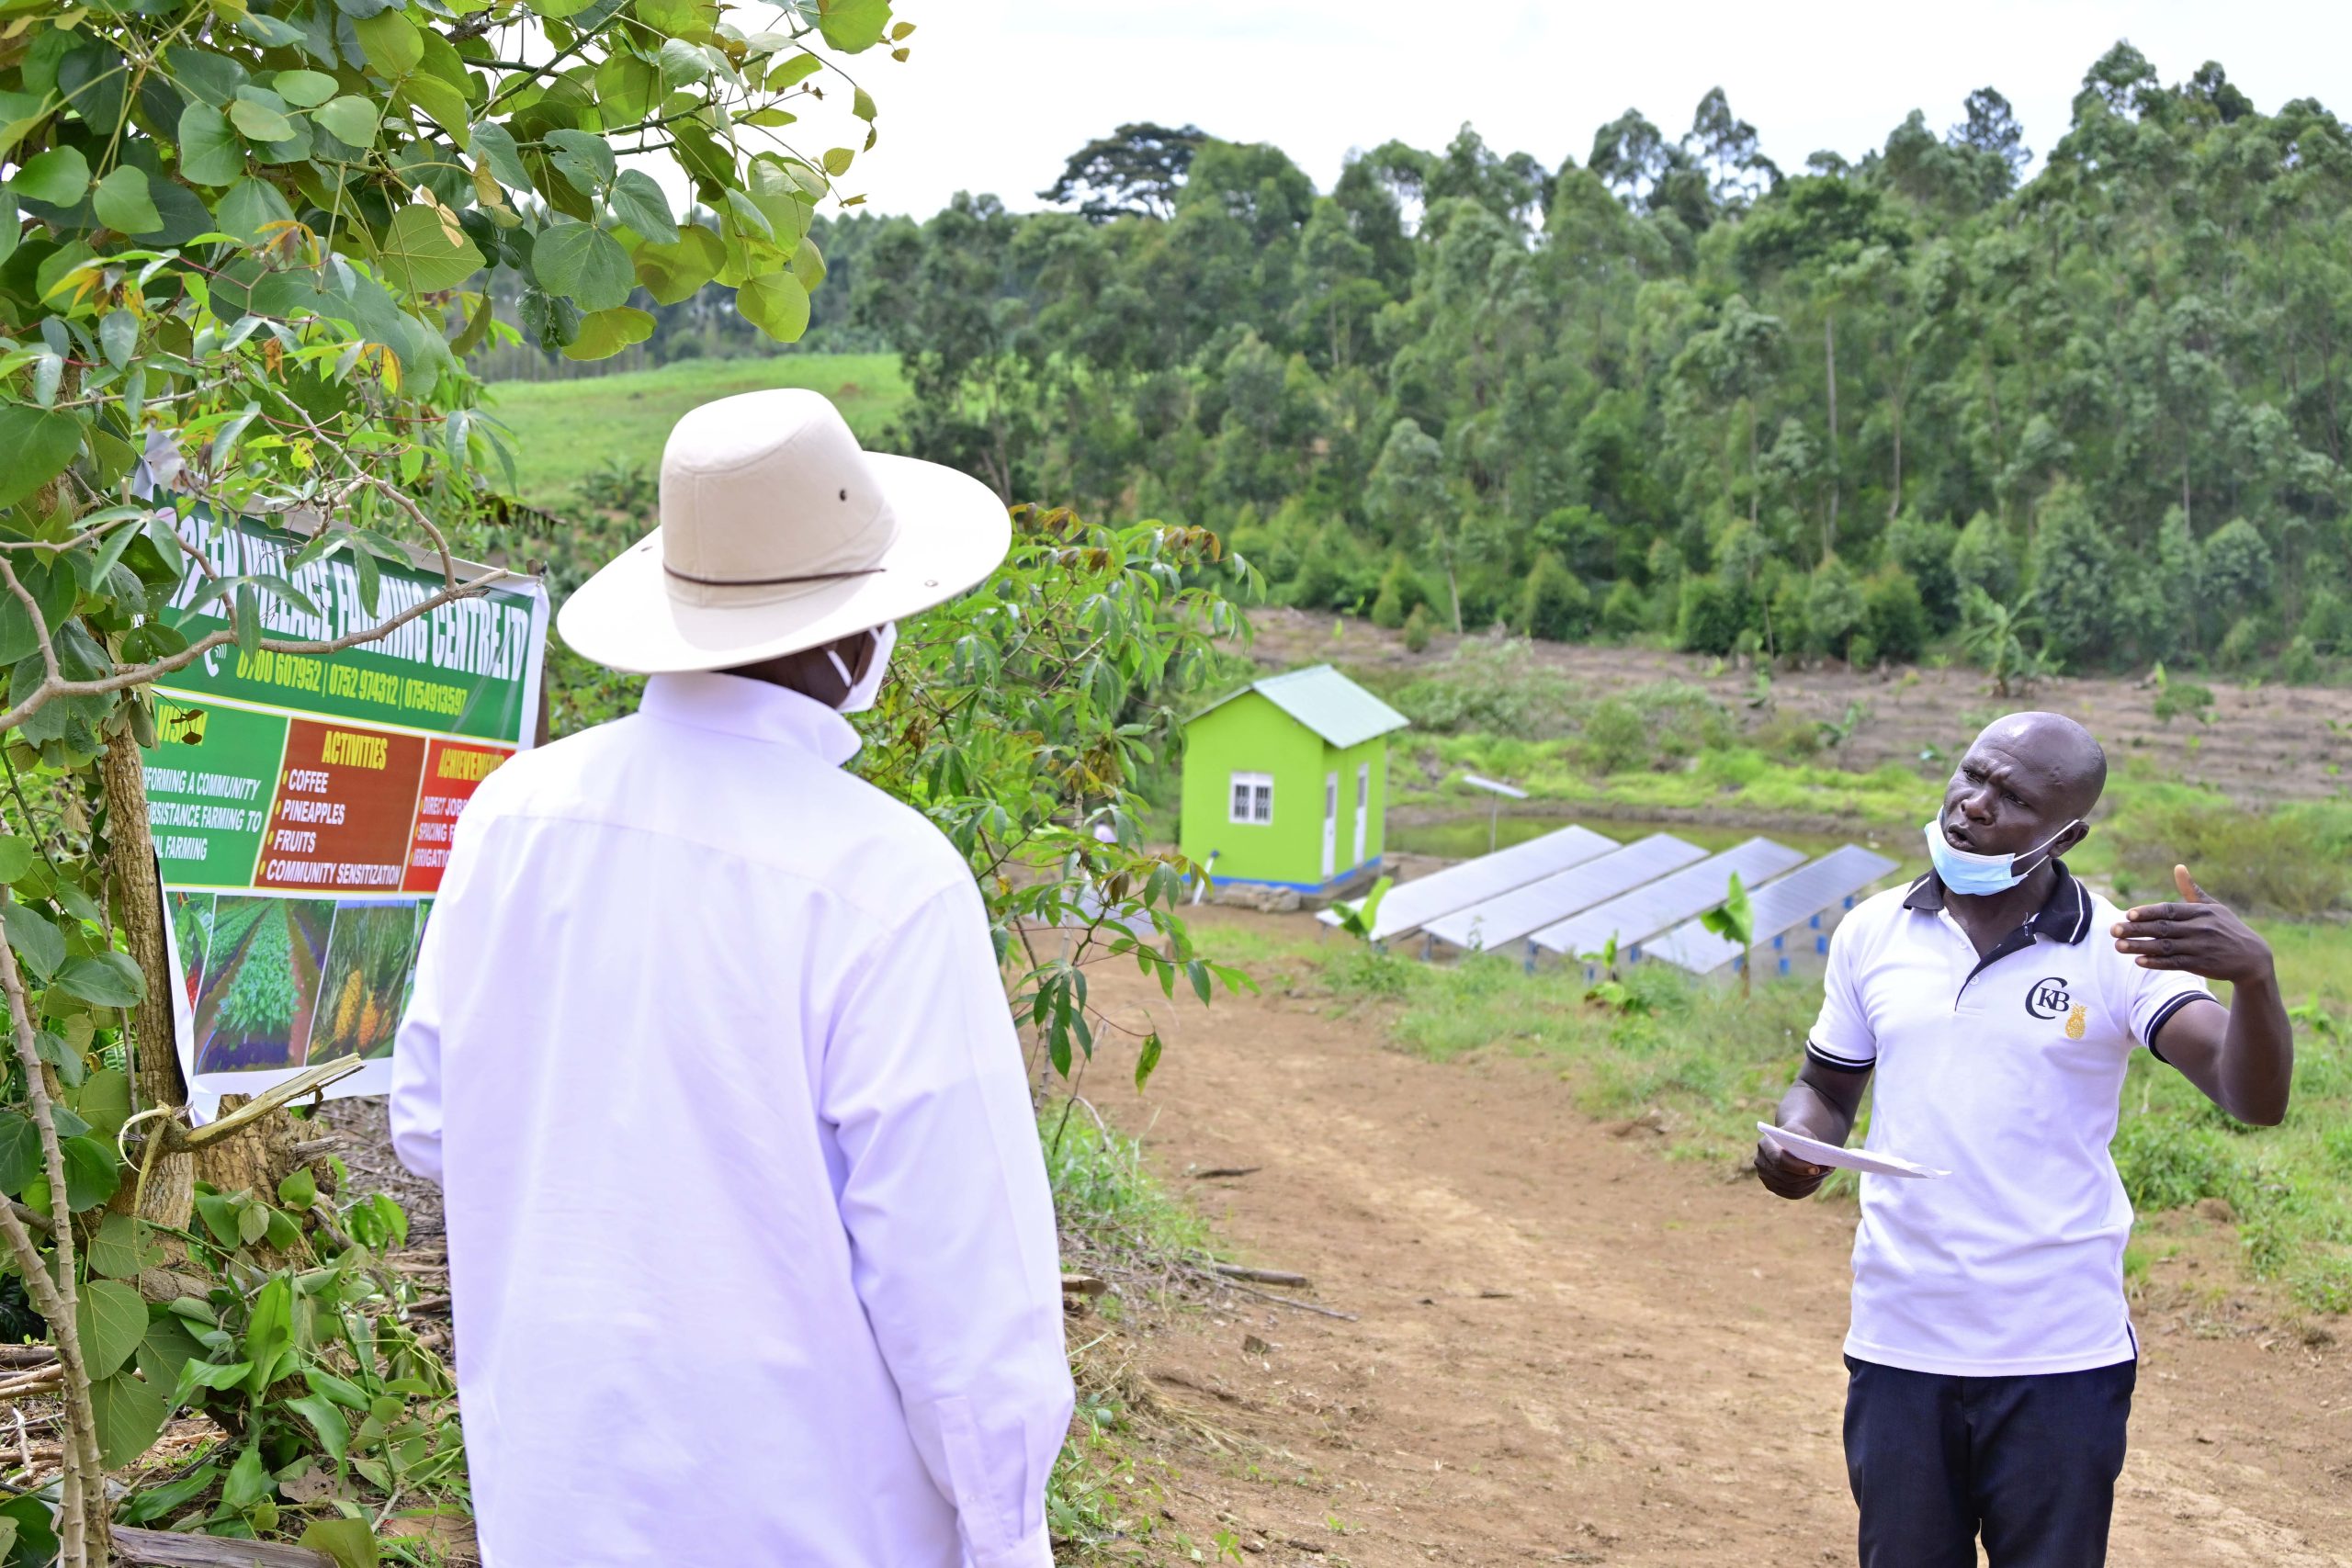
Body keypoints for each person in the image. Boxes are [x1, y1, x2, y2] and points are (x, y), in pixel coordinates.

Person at [390, 389, 1072, 1568]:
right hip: (811, 1526)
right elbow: (961, 1288)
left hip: (553, 1507)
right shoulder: (885, 880)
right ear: (863, 638)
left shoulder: (513, 816)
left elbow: (433, 1124)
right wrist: (1009, 1537)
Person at [1756, 711, 2293, 1568]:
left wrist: (2255, 979)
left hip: (2058, 1356)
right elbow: (1824, 1088)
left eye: (2010, 797)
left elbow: (2248, 1093)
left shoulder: (2120, 952)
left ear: (2066, 831)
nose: (1972, 804)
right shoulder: (1873, 931)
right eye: (1970, 775)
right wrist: (1795, 1143)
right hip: (1902, 1342)